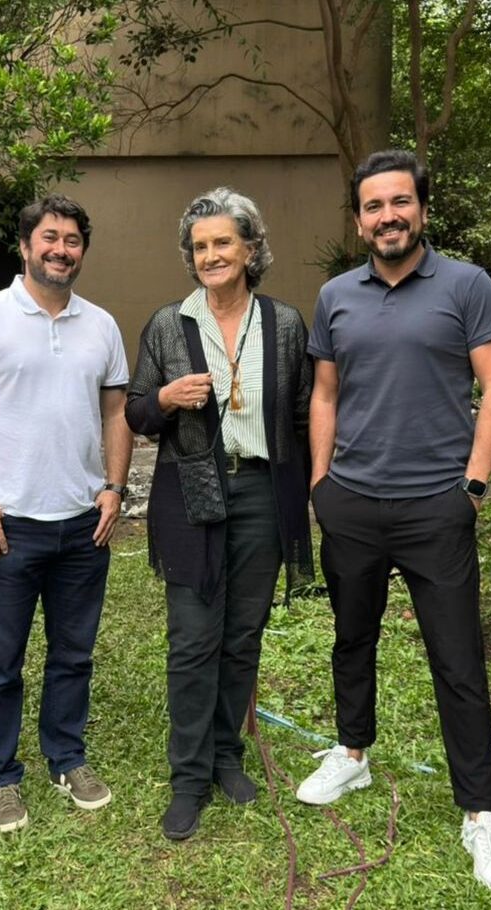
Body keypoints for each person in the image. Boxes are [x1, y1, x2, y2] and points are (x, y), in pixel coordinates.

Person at [296, 149, 491, 892]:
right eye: (373, 206)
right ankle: (352, 754)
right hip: (353, 503)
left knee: (458, 662)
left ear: (421, 208)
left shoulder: (468, 285)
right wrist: (322, 483)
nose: (387, 216)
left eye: (400, 202)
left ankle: (480, 813)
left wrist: (473, 487)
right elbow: (325, 394)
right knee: (351, 639)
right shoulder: (336, 296)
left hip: (436, 508)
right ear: (359, 219)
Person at [126, 187, 314, 841]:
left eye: (223, 242)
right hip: (190, 494)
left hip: (262, 491)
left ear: (250, 249)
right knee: (192, 639)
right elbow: (136, 412)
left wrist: (308, 487)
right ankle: (188, 778)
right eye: (200, 246)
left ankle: (226, 757)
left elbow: (302, 415)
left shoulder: (284, 324)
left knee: (242, 635)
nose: (210, 255)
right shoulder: (167, 325)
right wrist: (166, 399)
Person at [0, 194, 132, 833]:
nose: (61, 249)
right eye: (49, 237)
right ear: (25, 246)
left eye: (72, 240)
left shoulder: (101, 325)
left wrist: (113, 487)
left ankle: (66, 757)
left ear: (82, 251)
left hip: (83, 522)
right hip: (9, 526)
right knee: (2, 660)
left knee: (73, 654)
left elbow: (116, 412)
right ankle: (0, 776)